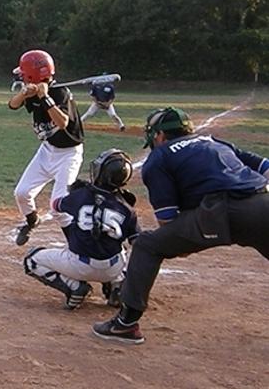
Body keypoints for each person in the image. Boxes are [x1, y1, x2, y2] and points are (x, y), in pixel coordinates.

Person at [93, 107, 269, 344]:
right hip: (262, 202)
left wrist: (180, 243)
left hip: (221, 212)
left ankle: (125, 323)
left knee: (147, 245)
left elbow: (167, 219)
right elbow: (263, 165)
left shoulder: (159, 157)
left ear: (159, 136)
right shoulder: (212, 140)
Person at [24, 149, 140, 309]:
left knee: (31, 260)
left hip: (79, 266)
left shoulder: (81, 195)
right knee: (123, 247)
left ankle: (74, 287)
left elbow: (55, 205)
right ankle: (118, 285)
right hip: (113, 267)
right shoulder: (127, 208)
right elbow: (138, 242)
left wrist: (77, 191)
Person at [8, 50, 85, 246]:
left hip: (69, 154)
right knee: (22, 193)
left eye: (25, 74)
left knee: (58, 205)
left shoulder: (60, 92)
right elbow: (12, 105)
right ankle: (32, 222)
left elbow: (62, 122)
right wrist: (25, 93)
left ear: (33, 74)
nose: (22, 78)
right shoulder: (32, 92)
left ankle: (78, 246)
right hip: (47, 150)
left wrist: (45, 97)